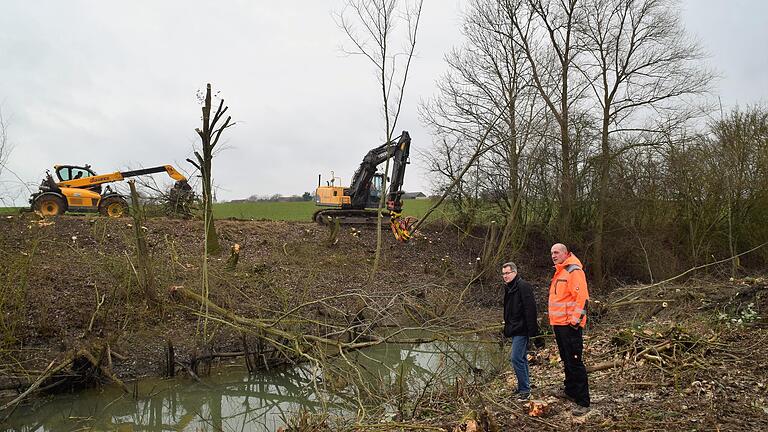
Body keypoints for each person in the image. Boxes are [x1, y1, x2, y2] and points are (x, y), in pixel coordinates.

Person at [548, 243, 591, 416]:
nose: (553, 255)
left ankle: (583, 401)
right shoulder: (561, 270)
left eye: (556, 252)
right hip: (559, 324)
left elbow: (582, 298)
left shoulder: (574, 271)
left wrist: (575, 322)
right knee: (566, 359)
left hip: (569, 326)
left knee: (575, 361)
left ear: (566, 253)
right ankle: (570, 390)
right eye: (551, 253)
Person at [501, 262, 541, 401]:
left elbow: (531, 309)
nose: (505, 276)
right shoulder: (509, 288)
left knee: (516, 358)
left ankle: (525, 390)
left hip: (522, 328)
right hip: (514, 327)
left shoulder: (523, 286)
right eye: (503, 274)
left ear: (515, 272)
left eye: (507, 273)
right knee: (521, 358)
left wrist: (533, 331)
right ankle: (523, 387)